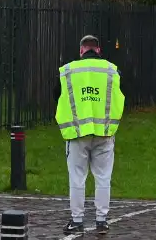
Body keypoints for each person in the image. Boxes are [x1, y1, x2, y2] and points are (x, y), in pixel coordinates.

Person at [56, 35, 124, 235]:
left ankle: (77, 221)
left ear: (81, 50)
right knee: (103, 177)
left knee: (77, 178)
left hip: (77, 134)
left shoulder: (68, 71)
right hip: (104, 133)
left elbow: (56, 95)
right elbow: (121, 94)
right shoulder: (112, 70)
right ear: (99, 50)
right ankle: (102, 220)